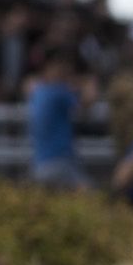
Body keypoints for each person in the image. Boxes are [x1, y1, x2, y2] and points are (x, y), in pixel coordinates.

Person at [26, 49, 89, 188]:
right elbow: (84, 106)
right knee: (90, 195)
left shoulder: (37, 90)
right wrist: (87, 84)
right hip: (59, 161)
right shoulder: (59, 92)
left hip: (38, 163)